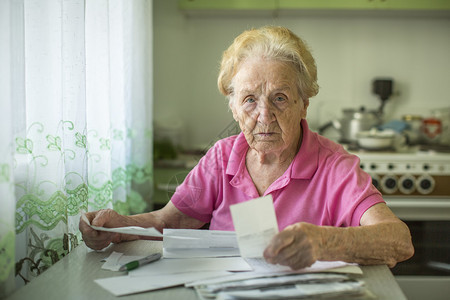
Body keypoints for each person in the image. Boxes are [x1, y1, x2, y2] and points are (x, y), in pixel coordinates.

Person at [79, 26, 414, 270]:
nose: (264, 116)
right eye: (250, 100)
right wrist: (118, 227)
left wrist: (322, 241)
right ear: (234, 108)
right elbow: (170, 221)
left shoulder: (334, 167)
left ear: (303, 105)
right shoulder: (222, 156)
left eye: (280, 98)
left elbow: (398, 240)